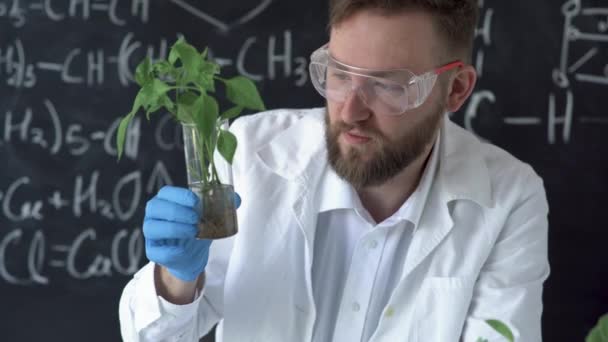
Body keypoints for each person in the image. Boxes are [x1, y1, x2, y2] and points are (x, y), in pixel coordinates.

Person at [119, 0, 550, 341]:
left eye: (387, 84)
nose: (350, 110)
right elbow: (155, 337)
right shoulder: (248, 153)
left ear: (455, 89)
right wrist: (176, 279)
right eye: (339, 74)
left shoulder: (509, 198)